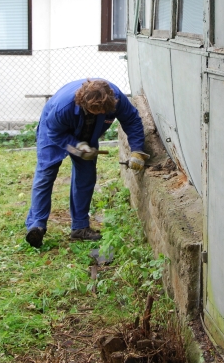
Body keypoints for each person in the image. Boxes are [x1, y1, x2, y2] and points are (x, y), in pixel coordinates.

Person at [25, 78, 147, 248]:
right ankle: (36, 226)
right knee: (46, 173)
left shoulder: (116, 97)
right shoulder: (63, 107)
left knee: (86, 176)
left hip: (88, 132)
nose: (98, 113)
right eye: (94, 110)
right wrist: (77, 147)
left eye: (102, 111)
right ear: (82, 102)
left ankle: (80, 227)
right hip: (55, 131)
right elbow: (55, 133)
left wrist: (137, 151)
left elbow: (132, 120)